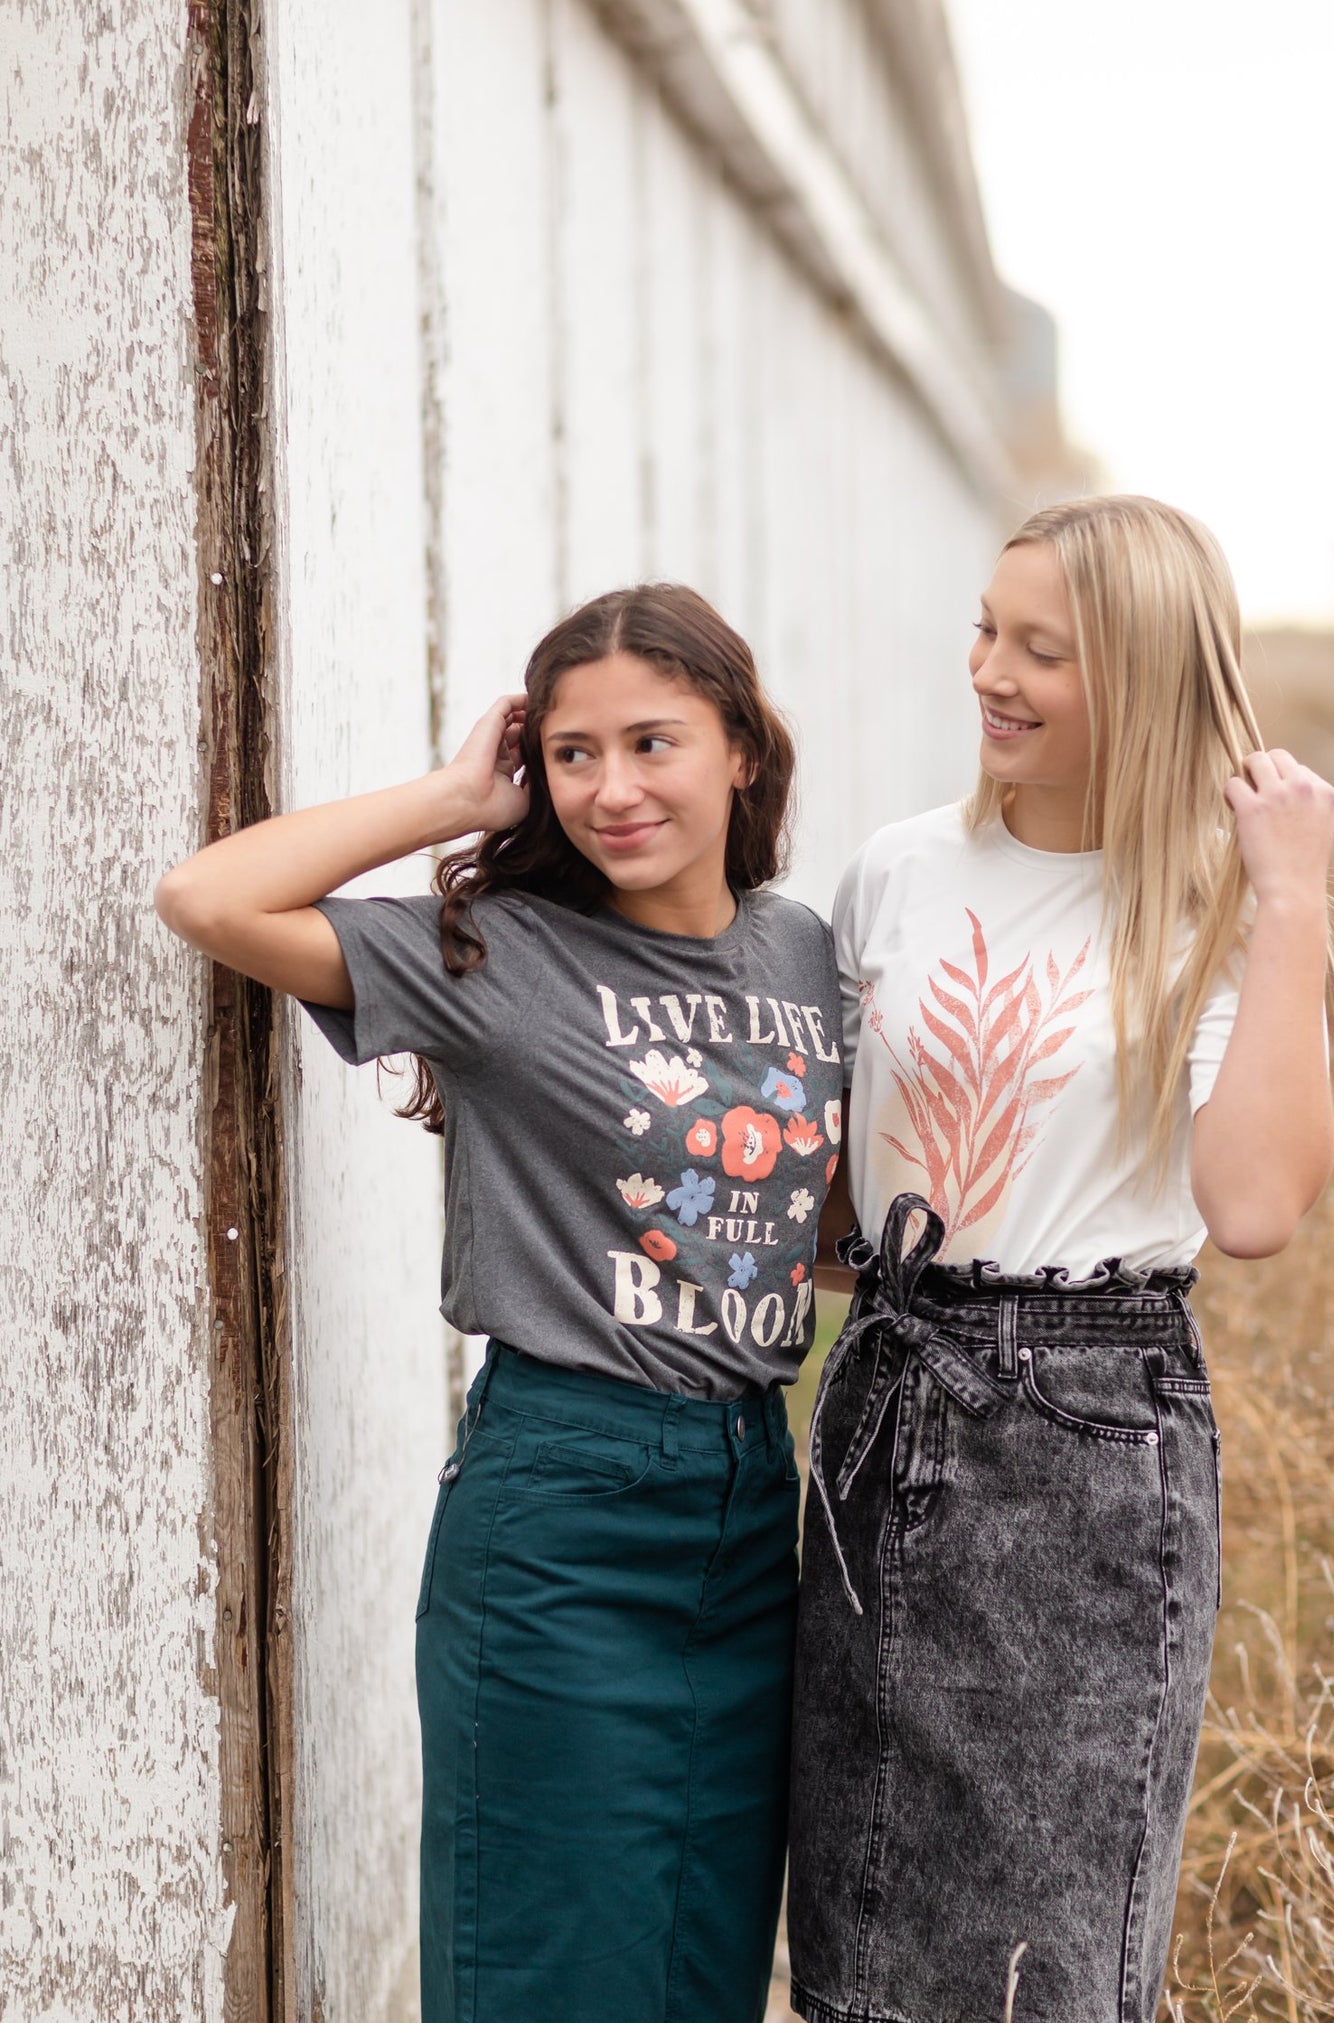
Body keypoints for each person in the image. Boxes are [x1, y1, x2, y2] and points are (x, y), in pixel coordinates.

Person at [155, 584, 844, 2023]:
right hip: (563, 1510)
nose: (611, 789)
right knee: (545, 1962)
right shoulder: (497, 956)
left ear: (741, 753)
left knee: (698, 1959)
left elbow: (801, 1228)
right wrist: (450, 797)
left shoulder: (801, 957)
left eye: (653, 743)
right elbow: (210, 899)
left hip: (745, 1494)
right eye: (574, 754)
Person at [788, 496, 1334, 2023]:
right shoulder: (896, 872)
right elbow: (831, 1200)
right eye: (984, 629)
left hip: (1086, 1441)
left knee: (1041, 1963)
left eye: (1043, 650)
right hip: (887, 1396)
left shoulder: (1215, 909)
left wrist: (1287, 897)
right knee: (856, 1938)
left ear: (1148, 677)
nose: (990, 672)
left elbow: (1253, 1204)